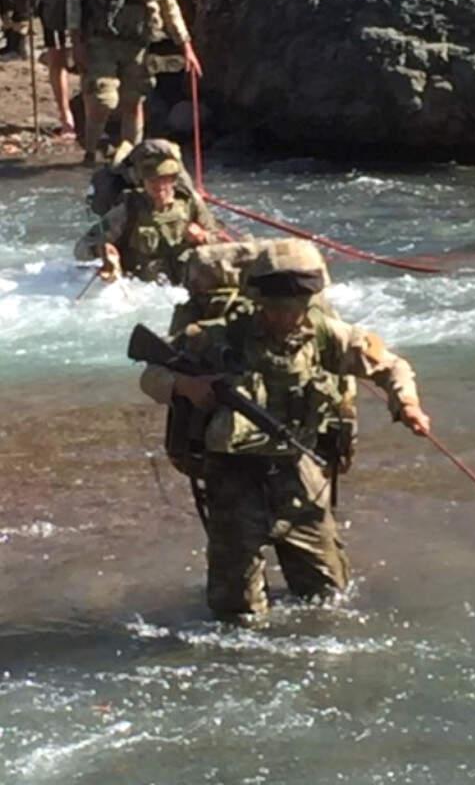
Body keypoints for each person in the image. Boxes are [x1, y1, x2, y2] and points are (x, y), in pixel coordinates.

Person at [138, 238, 431, 620]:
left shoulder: (327, 335)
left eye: (296, 306)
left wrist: (406, 404)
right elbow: (151, 374)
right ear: (258, 300)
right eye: (276, 307)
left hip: (299, 468)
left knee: (328, 597)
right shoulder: (215, 335)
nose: (286, 316)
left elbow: (392, 367)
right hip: (232, 474)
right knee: (236, 611)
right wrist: (187, 386)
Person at [66, 0, 202, 166]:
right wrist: (75, 40)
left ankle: (131, 155)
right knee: (102, 98)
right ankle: (90, 150)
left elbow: (169, 7)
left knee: (135, 99)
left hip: (137, 41)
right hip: (101, 39)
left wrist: (186, 46)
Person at [74, 139, 224, 283]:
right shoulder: (128, 209)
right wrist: (102, 251)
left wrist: (203, 237)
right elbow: (80, 250)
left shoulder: (190, 203)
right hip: (138, 285)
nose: (158, 185)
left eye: (164, 178)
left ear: (173, 179)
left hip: (181, 284)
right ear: (142, 180)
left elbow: (222, 243)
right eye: (151, 179)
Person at [39, 0, 115, 139]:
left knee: (89, 60)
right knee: (57, 58)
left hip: (89, 4)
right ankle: (66, 118)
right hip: (57, 1)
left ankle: (92, 118)